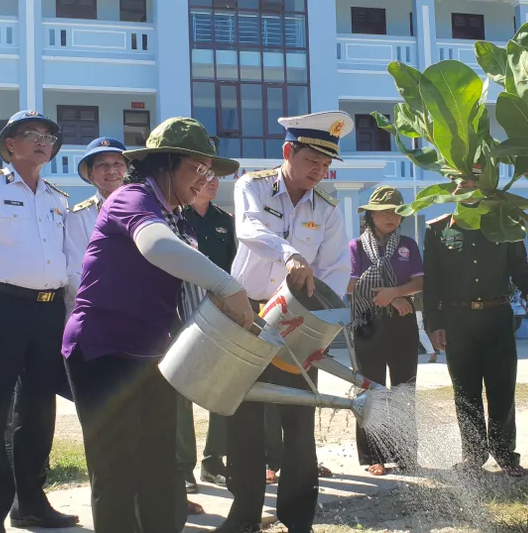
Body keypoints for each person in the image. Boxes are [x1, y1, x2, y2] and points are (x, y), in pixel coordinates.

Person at [62, 117, 254, 532]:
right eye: (199, 168)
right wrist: (226, 283)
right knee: (116, 473)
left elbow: (188, 287)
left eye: (209, 171)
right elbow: (155, 246)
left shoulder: (179, 216)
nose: (205, 180)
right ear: (167, 163)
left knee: (160, 469)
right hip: (105, 351)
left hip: (155, 353)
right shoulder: (131, 199)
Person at [219, 111, 352, 533]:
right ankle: (243, 518)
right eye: (312, 160)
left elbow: (334, 270)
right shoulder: (252, 186)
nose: (320, 171)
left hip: (298, 322)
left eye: (326, 164)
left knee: (299, 424)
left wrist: (319, 324)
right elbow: (249, 229)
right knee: (242, 422)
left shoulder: (327, 210)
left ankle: (299, 521)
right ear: (287, 152)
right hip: (247, 315)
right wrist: (288, 252)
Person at [0, 110, 78, 533]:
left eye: (48, 135)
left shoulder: (56, 198)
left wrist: (69, 315)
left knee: (38, 410)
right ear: (10, 144)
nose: (42, 141)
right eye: (32, 134)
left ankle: (31, 502)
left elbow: (65, 263)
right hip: (1, 308)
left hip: (47, 312)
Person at [422, 170, 528, 477]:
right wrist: (433, 324)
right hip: (456, 320)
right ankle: (473, 455)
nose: (470, 189)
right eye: (463, 185)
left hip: (497, 317)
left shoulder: (504, 223)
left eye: (476, 183)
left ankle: (505, 454)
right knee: (465, 391)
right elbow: (431, 282)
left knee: (502, 388)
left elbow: (520, 266)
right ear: (454, 189)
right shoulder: (437, 230)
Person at [347, 186, 423, 476]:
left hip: (402, 322)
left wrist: (395, 294)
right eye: (384, 211)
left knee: (404, 389)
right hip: (367, 322)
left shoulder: (408, 245)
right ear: (371, 214)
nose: (391, 217)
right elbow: (351, 285)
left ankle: (405, 454)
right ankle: (372, 456)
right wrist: (392, 295)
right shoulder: (356, 246)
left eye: (397, 212)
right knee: (370, 390)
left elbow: (419, 282)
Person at [176, 175, 236, 490]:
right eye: (207, 177)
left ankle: (214, 461)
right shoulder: (174, 217)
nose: (214, 182)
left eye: (218, 178)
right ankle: (182, 467)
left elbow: (234, 268)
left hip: (219, 315)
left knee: (221, 388)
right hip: (180, 313)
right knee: (181, 391)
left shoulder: (225, 221)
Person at [64, 136, 131, 305]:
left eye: (117, 164)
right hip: (95, 310)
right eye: (103, 165)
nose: (111, 170)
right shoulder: (77, 216)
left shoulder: (144, 211)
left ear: (128, 170)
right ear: (91, 174)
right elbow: (74, 273)